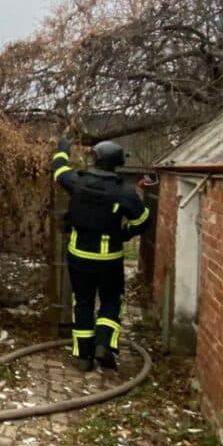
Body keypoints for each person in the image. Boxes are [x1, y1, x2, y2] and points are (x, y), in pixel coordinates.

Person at [51, 136, 152, 371]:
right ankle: (104, 345)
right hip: (109, 259)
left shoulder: (77, 181)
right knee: (110, 300)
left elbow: (58, 171)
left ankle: (83, 356)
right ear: (117, 163)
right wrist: (126, 232)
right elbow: (144, 219)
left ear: (95, 159)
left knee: (83, 302)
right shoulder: (124, 192)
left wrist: (63, 150)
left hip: (79, 256)